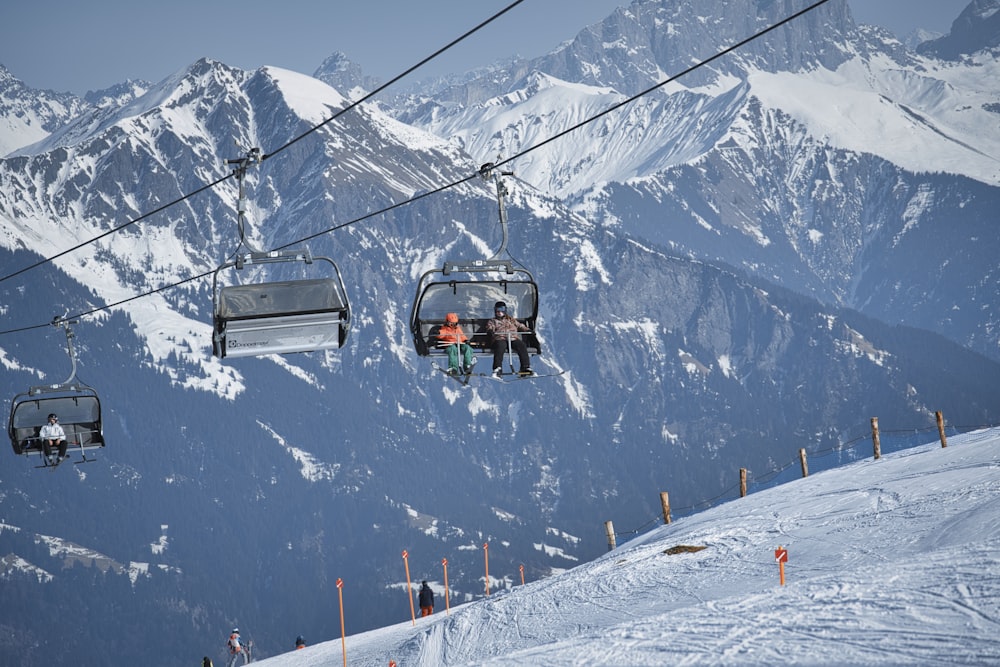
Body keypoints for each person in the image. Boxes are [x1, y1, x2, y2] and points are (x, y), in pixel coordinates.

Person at [485, 301, 532, 376]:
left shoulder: (511, 320)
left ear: (505, 310)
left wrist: (528, 330)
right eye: (498, 310)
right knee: (500, 347)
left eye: (502, 309)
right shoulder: (493, 321)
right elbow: (489, 327)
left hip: (512, 338)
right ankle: (497, 368)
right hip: (500, 338)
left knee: (521, 345)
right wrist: (490, 331)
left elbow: (520, 326)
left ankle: (525, 366)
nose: (500, 312)